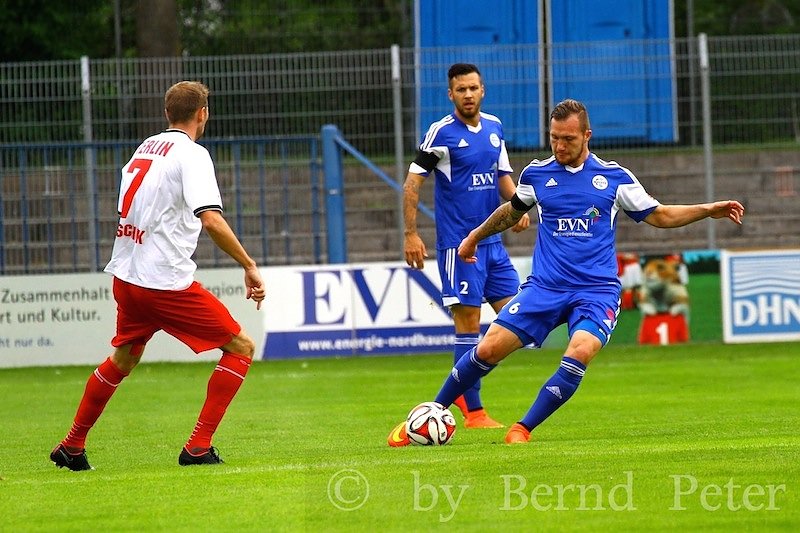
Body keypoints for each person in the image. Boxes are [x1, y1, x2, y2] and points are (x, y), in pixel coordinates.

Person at [389, 98, 745, 446]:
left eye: (568, 139)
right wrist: (473, 237)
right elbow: (511, 211)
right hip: (545, 287)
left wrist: (707, 209)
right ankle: (428, 414)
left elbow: (660, 215)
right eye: (554, 138)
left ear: (587, 135)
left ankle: (522, 428)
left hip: (596, 291)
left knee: (580, 350)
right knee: (488, 348)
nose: (559, 146)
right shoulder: (536, 174)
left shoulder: (614, 178)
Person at [49, 81, 266, 470]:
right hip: (163, 282)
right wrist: (248, 264)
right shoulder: (193, 154)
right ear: (203, 113)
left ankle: (72, 445)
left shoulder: (145, 147)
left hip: (127, 276)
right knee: (241, 347)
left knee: (124, 358)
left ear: (167, 113)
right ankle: (198, 447)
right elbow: (211, 219)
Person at [388, 63, 530, 446]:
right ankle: (474, 412)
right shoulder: (441, 133)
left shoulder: (495, 127)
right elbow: (412, 184)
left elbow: (502, 178)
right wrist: (411, 234)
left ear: (483, 90)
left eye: (473, 88)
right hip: (458, 246)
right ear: (450, 94)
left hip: (493, 245)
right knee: (468, 326)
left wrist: (518, 207)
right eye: (460, 90)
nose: (468, 94)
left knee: (519, 322)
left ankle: (457, 397)